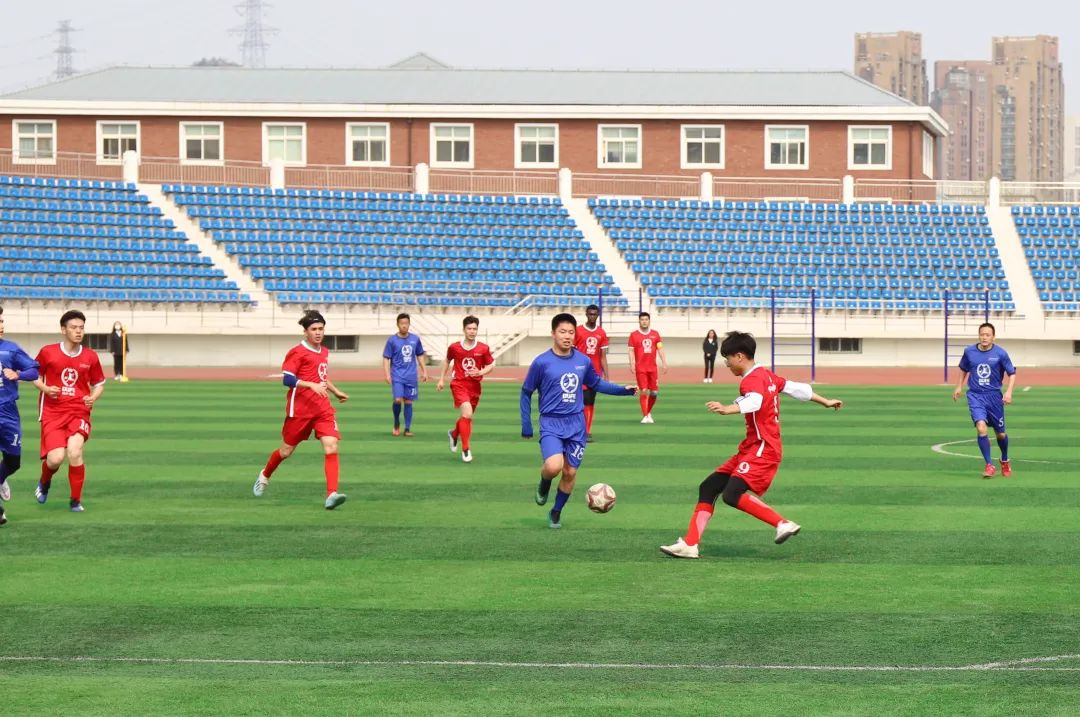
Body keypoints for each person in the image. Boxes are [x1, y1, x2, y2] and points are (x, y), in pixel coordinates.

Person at [660, 331, 843, 559]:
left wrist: (728, 408)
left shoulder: (751, 380)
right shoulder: (767, 375)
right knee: (708, 487)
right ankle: (690, 544)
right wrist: (825, 401)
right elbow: (797, 389)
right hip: (751, 447)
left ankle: (783, 523)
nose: (727, 364)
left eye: (727, 359)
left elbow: (755, 401)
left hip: (763, 448)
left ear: (739, 356)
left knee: (732, 494)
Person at [521, 313, 638, 529]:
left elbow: (596, 383)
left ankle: (556, 512)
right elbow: (526, 392)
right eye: (562, 332)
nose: (567, 336)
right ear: (553, 334)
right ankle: (544, 483)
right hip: (551, 423)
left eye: (571, 332)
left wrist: (623, 390)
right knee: (553, 466)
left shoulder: (582, 361)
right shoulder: (541, 362)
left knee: (570, 472)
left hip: (576, 424)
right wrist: (526, 424)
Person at [254, 310, 349, 510]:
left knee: (331, 446)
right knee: (286, 451)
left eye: (321, 328)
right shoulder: (297, 352)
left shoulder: (324, 351)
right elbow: (288, 379)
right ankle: (264, 475)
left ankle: (331, 494)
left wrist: (335, 391)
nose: (318, 332)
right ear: (305, 332)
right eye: (314, 329)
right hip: (300, 410)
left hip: (322, 409)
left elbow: (322, 377)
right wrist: (310, 385)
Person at [32, 310, 106, 513]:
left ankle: (75, 500)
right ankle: (45, 481)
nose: (78, 331)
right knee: (55, 458)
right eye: (74, 327)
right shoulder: (48, 352)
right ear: (63, 330)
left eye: (81, 328)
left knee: (75, 451)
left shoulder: (90, 356)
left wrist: (93, 397)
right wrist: (46, 389)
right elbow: (34, 375)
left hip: (78, 411)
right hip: (52, 412)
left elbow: (99, 383)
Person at [952, 322, 1017, 478]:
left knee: (1000, 434)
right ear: (979, 335)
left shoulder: (1001, 353)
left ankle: (1004, 459)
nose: (984, 337)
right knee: (981, 428)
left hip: (994, 397)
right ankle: (989, 465)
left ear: (993, 337)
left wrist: (1008, 392)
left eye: (988, 335)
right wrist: (959, 386)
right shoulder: (969, 352)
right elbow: (963, 368)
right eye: (982, 334)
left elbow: (1012, 373)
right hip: (975, 395)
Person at [0, 305, 41, 525]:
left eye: (1, 321)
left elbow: (34, 370)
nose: (1, 325)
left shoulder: (11, 349)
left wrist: (18, 374)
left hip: (8, 412)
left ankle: (1, 478)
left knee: (14, 462)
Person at [437, 316, 495, 463]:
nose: (472, 331)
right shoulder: (454, 347)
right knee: (467, 413)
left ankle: (453, 434)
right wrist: (441, 379)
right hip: (459, 384)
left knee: (466, 417)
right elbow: (447, 361)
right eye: (469, 328)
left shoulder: (483, 348)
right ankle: (466, 449)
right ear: (463, 330)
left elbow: (491, 365)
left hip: (474, 387)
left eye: (474, 328)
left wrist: (480, 372)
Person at [383, 313, 428, 436]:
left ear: (409, 324)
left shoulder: (415, 339)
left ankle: (407, 429)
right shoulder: (392, 340)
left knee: (408, 402)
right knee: (398, 400)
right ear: (398, 325)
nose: (404, 326)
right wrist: (387, 374)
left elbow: (420, 355)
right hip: (397, 375)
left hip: (411, 376)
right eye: (402, 323)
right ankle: (396, 422)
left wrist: (424, 371)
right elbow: (386, 358)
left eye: (406, 323)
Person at [574, 304, 609, 442]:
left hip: (594, 374)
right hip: (579, 372)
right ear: (586, 314)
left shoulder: (601, 333)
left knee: (589, 401)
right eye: (590, 314)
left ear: (598, 315)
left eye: (595, 314)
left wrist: (607, 376)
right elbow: (571, 352)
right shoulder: (578, 331)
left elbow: (603, 357)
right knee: (578, 402)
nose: (592, 316)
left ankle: (587, 431)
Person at [627, 311, 667, 424]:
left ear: (649, 321)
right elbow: (630, 350)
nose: (644, 321)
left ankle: (648, 412)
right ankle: (645, 415)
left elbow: (660, 348)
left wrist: (664, 362)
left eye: (646, 319)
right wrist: (631, 363)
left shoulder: (655, 334)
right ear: (639, 321)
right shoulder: (634, 335)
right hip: (641, 368)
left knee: (654, 392)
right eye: (642, 319)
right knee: (644, 390)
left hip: (652, 368)